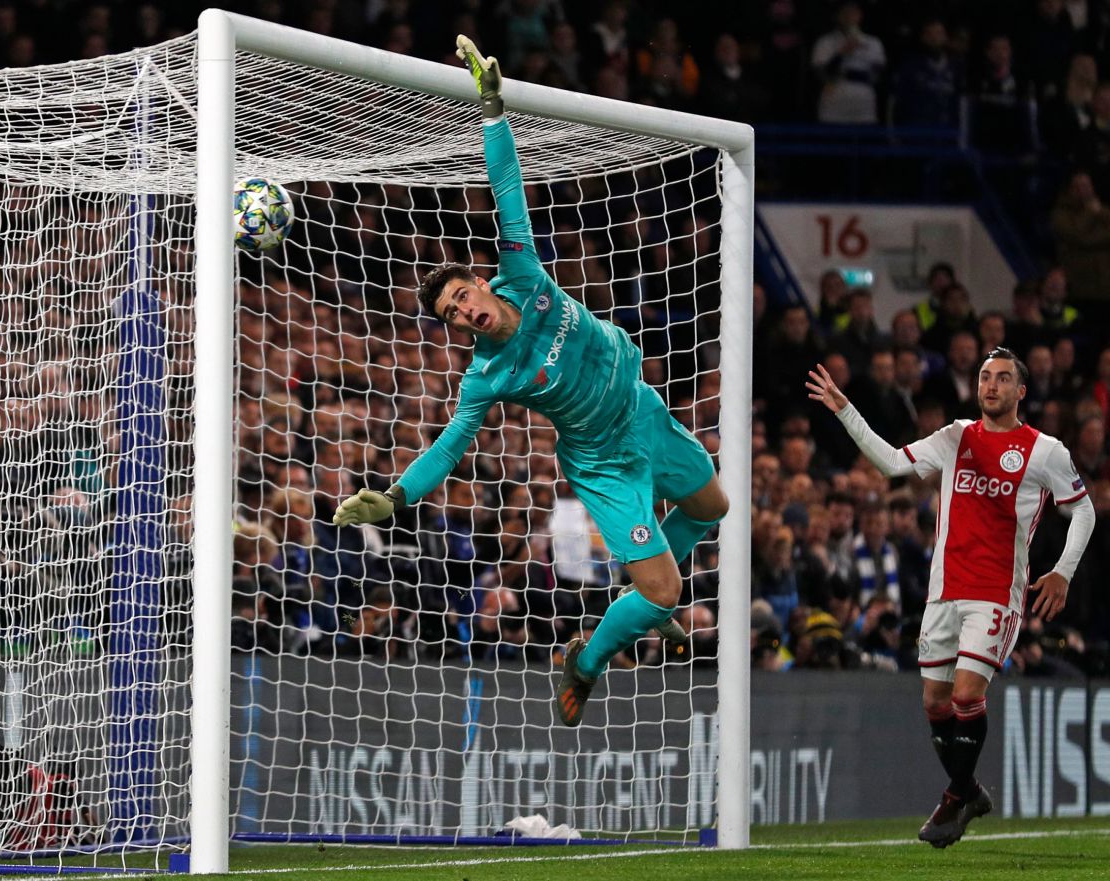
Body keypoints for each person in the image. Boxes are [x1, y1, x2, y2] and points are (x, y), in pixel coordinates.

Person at [332, 37, 729, 728]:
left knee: (712, 504)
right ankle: (589, 656)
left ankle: (643, 604)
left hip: (642, 409)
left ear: (480, 280)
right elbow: (449, 447)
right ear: (457, 326)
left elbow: (508, 189)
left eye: (462, 293)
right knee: (665, 587)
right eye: (453, 312)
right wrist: (396, 497)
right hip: (603, 459)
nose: (464, 308)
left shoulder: (524, 275)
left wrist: (491, 111)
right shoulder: (488, 374)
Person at [806, 347, 1095, 848]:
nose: (992, 385)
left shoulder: (1045, 450)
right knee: (935, 703)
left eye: (1003, 378)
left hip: (996, 592)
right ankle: (967, 792)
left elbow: (1084, 511)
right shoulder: (955, 436)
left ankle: (954, 798)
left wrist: (1062, 573)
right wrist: (844, 409)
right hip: (943, 591)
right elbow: (892, 464)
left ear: (1020, 392)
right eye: (985, 377)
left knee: (965, 695)